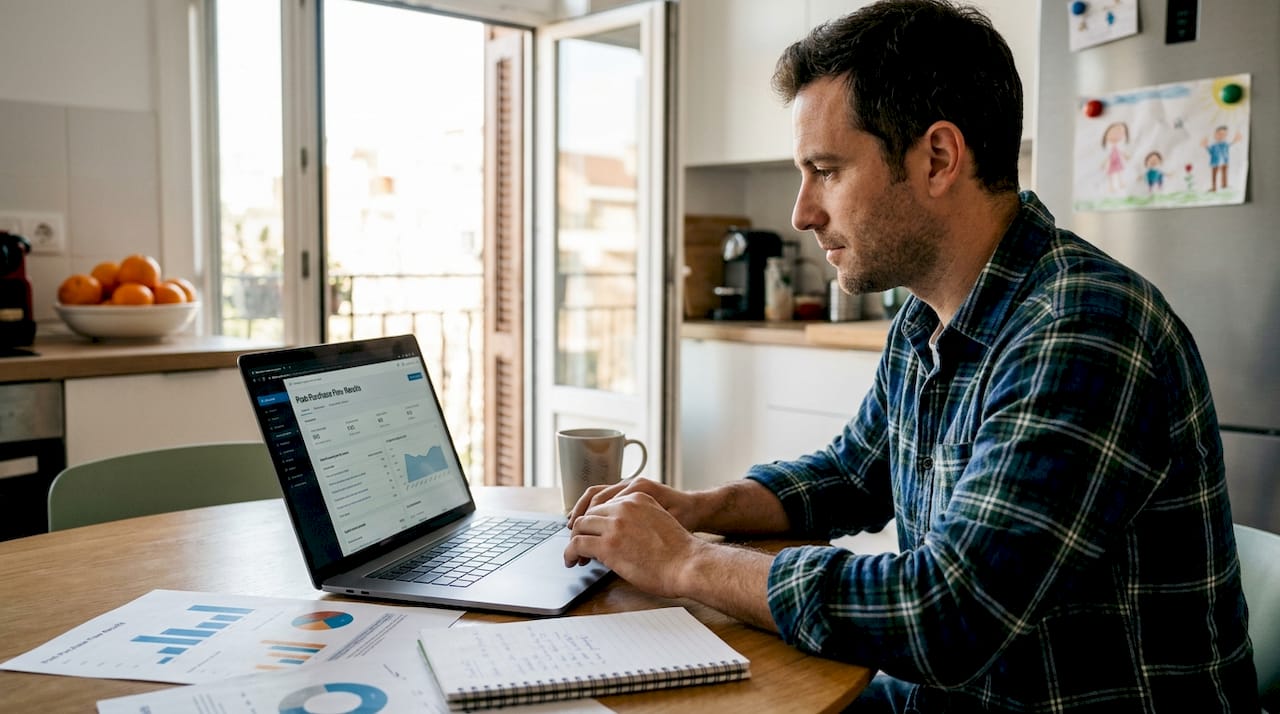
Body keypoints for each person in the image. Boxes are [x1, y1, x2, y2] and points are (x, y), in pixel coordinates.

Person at [563, 0, 1258, 711]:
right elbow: (851, 474)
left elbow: (949, 613)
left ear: (937, 158)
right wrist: (701, 507)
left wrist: (687, 560)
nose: (802, 212)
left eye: (825, 169)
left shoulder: (1082, 328)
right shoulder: (925, 313)